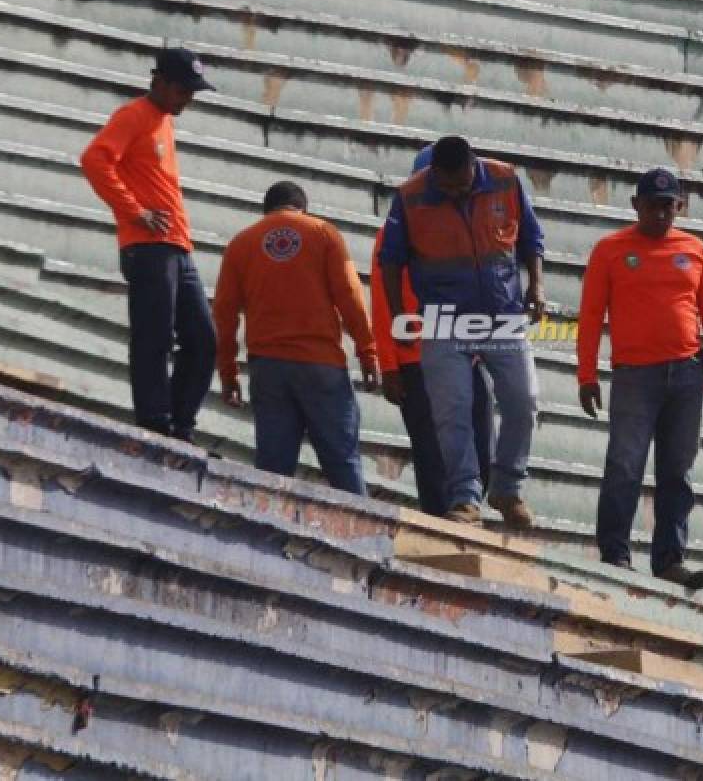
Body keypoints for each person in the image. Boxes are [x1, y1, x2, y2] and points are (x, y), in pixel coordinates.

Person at [576, 168, 703, 590]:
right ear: (636, 205)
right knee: (624, 466)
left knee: (677, 471)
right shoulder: (611, 250)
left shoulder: (694, 250)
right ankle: (615, 553)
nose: (662, 214)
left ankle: (669, 558)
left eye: (670, 205)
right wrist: (586, 374)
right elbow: (591, 315)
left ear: (679, 206)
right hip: (634, 375)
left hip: (685, 374)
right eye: (654, 205)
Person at [379, 136, 545, 527]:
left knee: (524, 401)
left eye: (460, 184)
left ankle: (507, 487)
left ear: (474, 166)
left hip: (502, 313)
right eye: (446, 185)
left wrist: (536, 285)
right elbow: (390, 261)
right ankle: (466, 496)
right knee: (452, 410)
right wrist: (399, 317)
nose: (454, 192)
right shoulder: (411, 196)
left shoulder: (506, 179)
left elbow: (531, 239)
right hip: (443, 319)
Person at [80, 47, 216, 442]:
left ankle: (179, 421)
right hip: (149, 245)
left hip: (176, 244)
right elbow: (94, 159)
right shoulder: (134, 115)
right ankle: (155, 420)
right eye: (183, 90)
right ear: (160, 82)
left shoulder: (162, 121)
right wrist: (135, 212)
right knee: (154, 335)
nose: (188, 99)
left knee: (202, 339)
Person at [213, 181, 379, 495]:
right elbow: (350, 296)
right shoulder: (322, 233)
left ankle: (269, 540)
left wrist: (228, 373)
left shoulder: (241, 243)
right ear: (303, 208)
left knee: (273, 473)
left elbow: (224, 313)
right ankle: (367, 540)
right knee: (343, 464)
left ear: (267, 211)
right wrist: (368, 352)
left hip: (269, 369)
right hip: (321, 366)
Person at [371, 147, 496, 516]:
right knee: (432, 453)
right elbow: (382, 302)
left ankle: (465, 513)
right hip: (417, 360)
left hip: (466, 353)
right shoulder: (394, 233)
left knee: (482, 444)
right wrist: (390, 367)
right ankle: (441, 524)